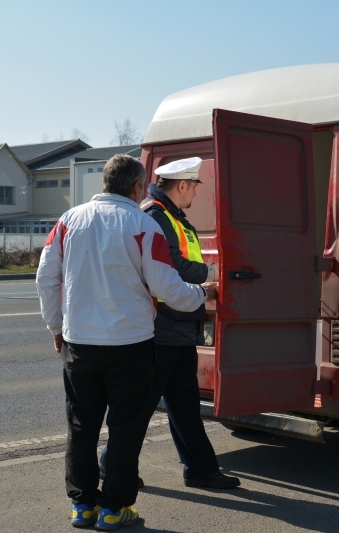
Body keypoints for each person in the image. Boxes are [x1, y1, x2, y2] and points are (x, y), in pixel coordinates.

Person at [36, 154, 218, 530]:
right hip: (130, 344)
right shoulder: (142, 224)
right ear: (137, 188)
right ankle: (114, 508)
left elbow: (45, 278)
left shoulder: (68, 221)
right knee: (125, 428)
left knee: (81, 427)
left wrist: (56, 327)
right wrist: (203, 294)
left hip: (79, 343)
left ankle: (82, 506)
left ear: (104, 183)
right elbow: (166, 288)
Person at [99, 157, 240, 490]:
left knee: (184, 403)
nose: (195, 193)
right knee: (143, 404)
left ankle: (200, 468)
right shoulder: (155, 217)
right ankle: (111, 463)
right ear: (182, 185)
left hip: (175, 326)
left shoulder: (172, 217)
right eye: (193, 186)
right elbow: (173, 266)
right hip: (160, 328)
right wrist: (213, 276)